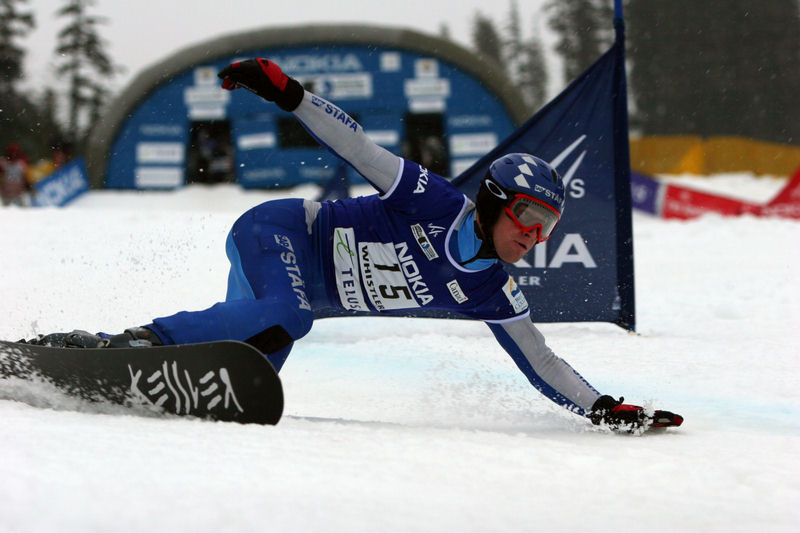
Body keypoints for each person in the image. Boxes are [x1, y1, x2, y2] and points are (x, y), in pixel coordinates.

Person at [25, 58, 682, 432]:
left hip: (279, 295)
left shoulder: (491, 288)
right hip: (277, 232)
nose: (537, 237)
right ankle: (134, 345)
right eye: (531, 217)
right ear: (492, 201)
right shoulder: (430, 198)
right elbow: (357, 144)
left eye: (550, 228)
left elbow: (542, 362)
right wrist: (287, 93)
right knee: (295, 315)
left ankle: (94, 365)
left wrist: (601, 407)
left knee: (246, 378)